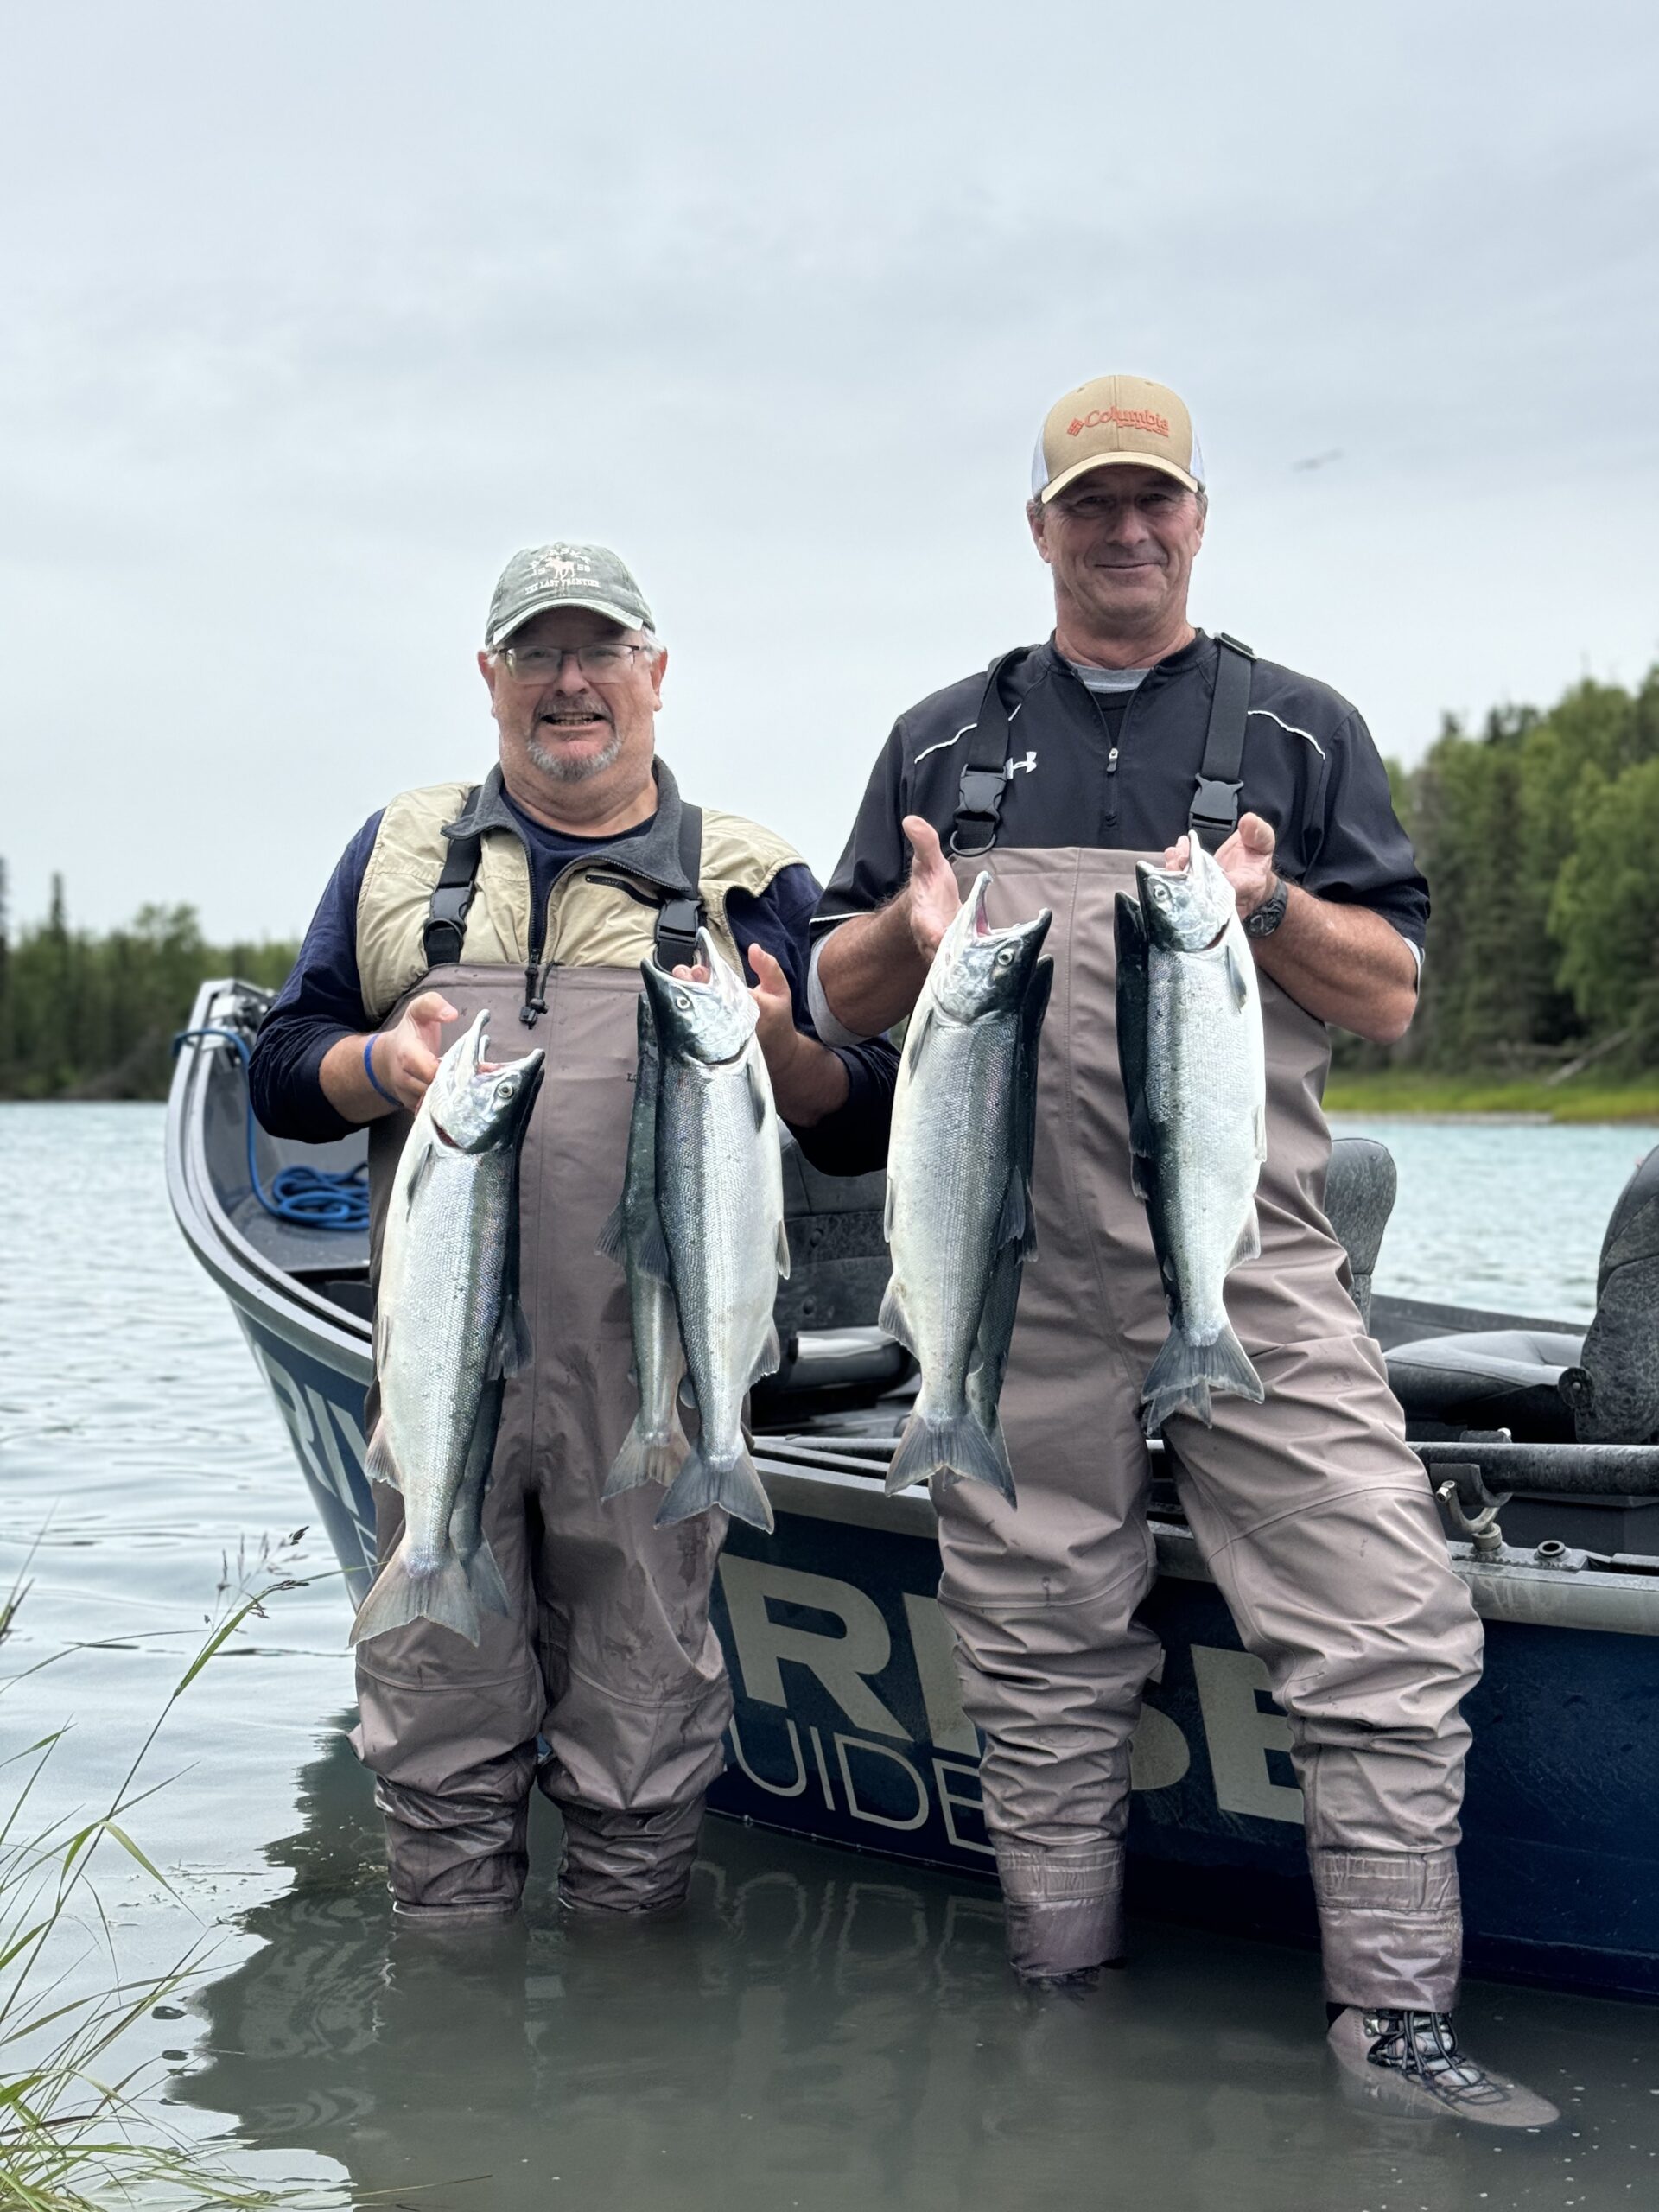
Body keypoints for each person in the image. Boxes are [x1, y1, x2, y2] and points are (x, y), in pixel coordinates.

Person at [809, 377, 1555, 2127]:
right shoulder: (940, 743)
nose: (1124, 531)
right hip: (1010, 1265)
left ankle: (1392, 2024)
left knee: (1390, 1621)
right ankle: (1058, 2006)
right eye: (1091, 504)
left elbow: (1390, 990)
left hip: (1250, 1259)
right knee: (1035, 1644)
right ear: (1042, 527)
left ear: (1199, 516)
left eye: (1154, 501)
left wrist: (1272, 905)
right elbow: (840, 1003)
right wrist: (911, 937)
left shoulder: (1300, 729)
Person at [251, 542, 894, 1926]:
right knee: (433, 1724)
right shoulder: (402, 849)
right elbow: (280, 1064)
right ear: (489, 679)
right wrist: (382, 1068)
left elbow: (862, 1124)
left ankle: (624, 2022)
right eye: (536, 653)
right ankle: (450, 2029)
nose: (570, 682)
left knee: (645, 1732)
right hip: (442, 1378)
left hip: (652, 1391)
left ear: (657, 674)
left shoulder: (750, 876)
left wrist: (780, 1047)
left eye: (602, 650)